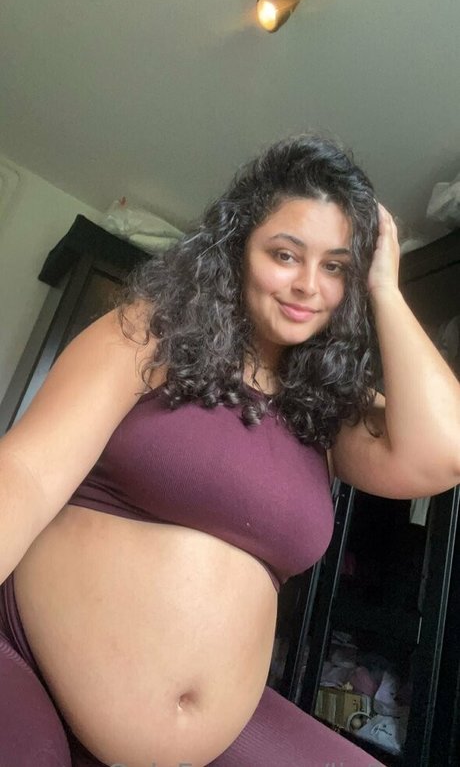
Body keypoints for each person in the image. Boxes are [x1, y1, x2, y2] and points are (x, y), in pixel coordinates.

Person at [0, 133, 459, 767]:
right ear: (239, 247)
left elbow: (445, 452)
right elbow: (24, 473)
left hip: (211, 740)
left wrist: (385, 287)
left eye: (335, 267)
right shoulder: (151, 334)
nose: (308, 285)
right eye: (285, 254)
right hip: (29, 665)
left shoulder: (326, 412)